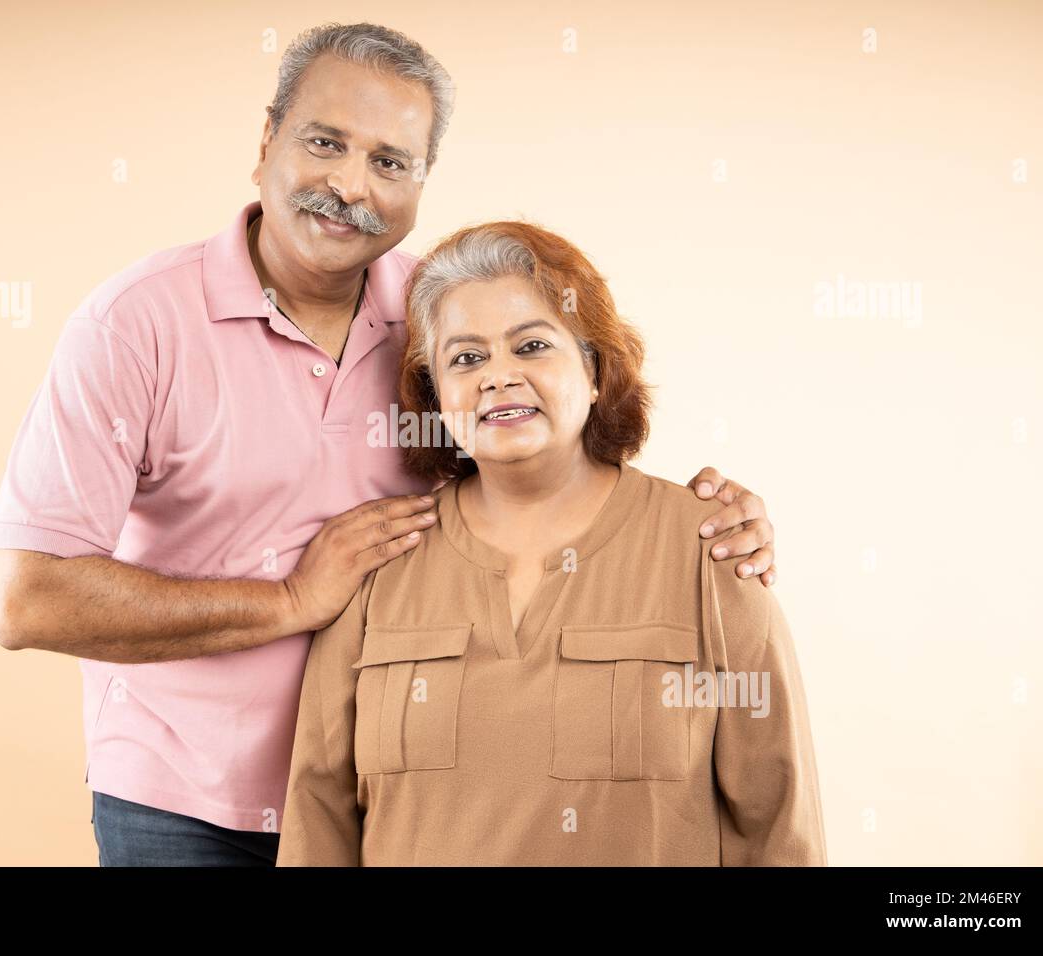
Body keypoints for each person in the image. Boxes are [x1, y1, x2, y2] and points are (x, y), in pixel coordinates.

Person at [0, 22, 780, 867]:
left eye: (390, 162)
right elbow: (26, 599)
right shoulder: (135, 324)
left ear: (422, 180)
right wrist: (289, 601)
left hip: (405, 795)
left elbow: (550, 448)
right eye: (325, 142)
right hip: (185, 803)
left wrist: (704, 524)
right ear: (266, 142)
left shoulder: (446, 314)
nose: (350, 185)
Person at [275, 220, 825, 865]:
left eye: (531, 346)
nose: (498, 377)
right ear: (436, 396)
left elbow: (777, 822)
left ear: (594, 370)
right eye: (466, 358)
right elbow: (318, 814)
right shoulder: (378, 561)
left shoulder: (710, 549)